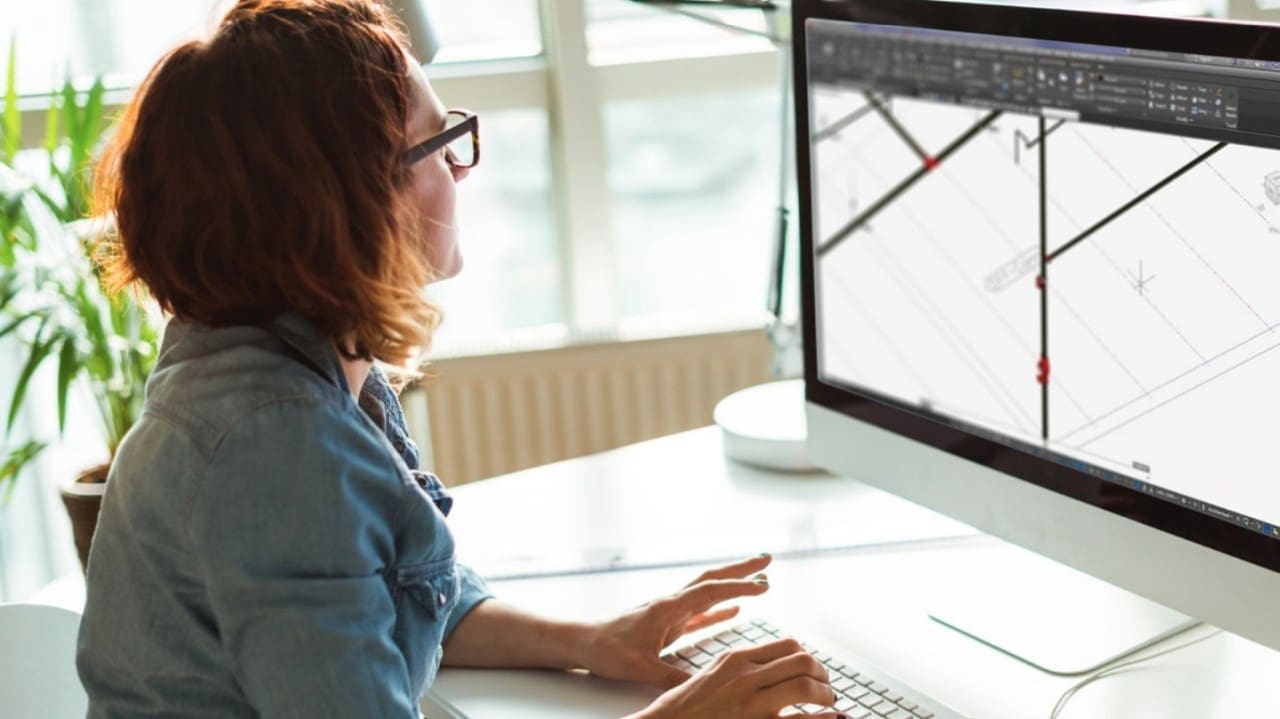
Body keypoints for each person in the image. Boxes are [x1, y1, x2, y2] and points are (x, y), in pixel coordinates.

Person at [76, 1, 843, 717]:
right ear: (353, 204)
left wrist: (594, 637)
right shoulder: (278, 443)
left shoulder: (272, 354)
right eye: (444, 145)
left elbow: (396, 594)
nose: (465, 169)